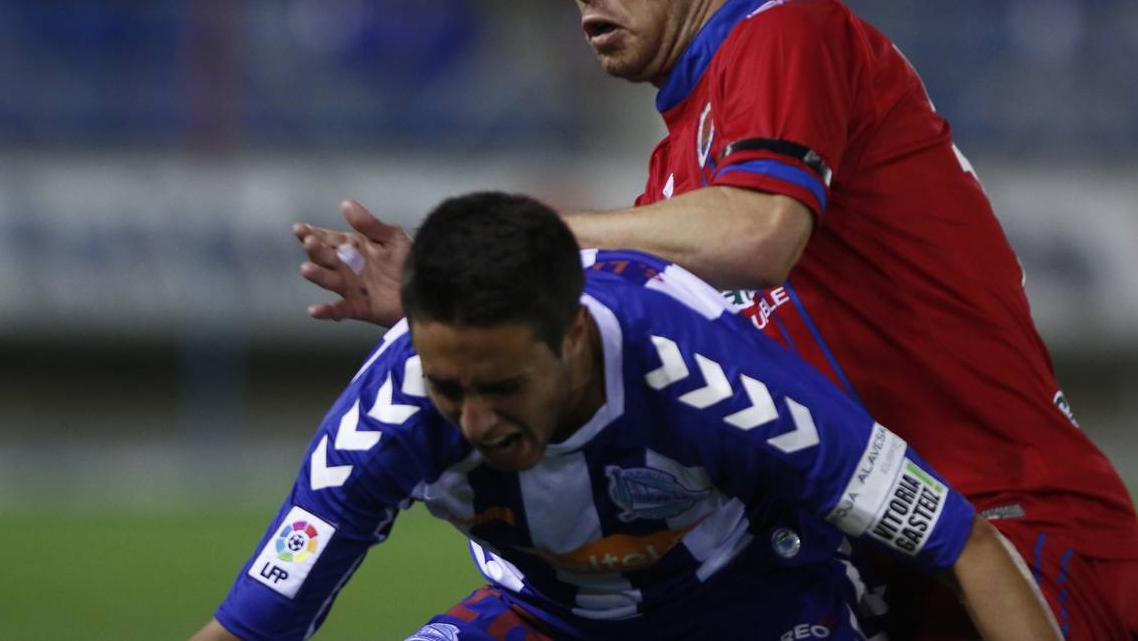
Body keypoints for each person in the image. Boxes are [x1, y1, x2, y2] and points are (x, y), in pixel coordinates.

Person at [294, 0, 1138, 639]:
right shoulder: (673, 180)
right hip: (868, 563)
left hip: (1015, 531)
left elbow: (756, 237)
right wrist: (440, 296)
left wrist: (530, 241)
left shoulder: (786, 38)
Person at [194, 192, 1060, 641]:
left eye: (500, 386)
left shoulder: (722, 383)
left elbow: (966, 544)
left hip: (752, 603)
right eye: (449, 387)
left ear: (573, 336)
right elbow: (249, 626)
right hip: (546, 615)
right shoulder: (388, 418)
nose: (473, 422)